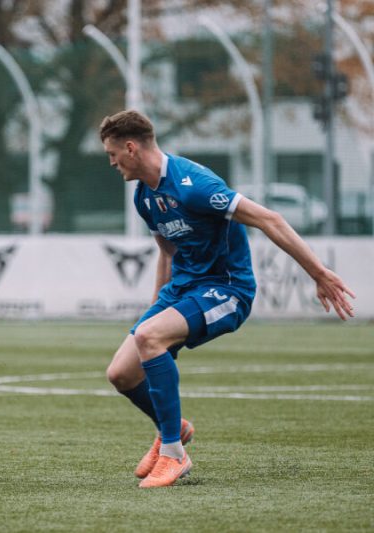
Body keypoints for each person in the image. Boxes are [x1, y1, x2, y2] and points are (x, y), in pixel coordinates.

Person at [99, 110, 355, 488]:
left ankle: (173, 453)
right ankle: (174, 429)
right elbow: (167, 252)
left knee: (150, 338)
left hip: (227, 289)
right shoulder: (144, 197)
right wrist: (154, 310)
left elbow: (270, 219)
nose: (111, 162)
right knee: (121, 373)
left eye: (112, 153)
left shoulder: (194, 185)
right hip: (183, 289)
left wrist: (318, 273)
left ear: (131, 148)